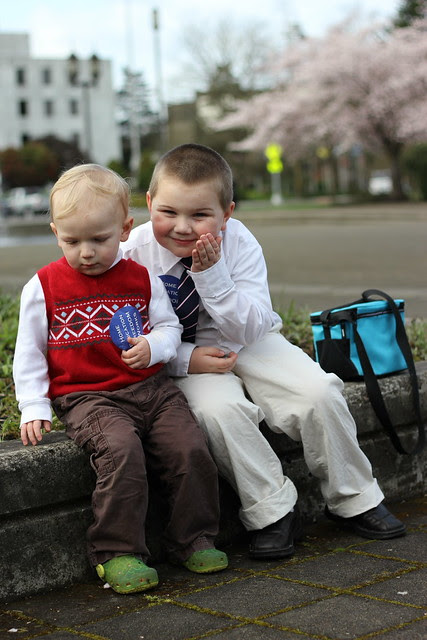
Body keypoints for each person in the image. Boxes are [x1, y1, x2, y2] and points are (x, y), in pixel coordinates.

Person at [121, 143, 406, 560]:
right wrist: (186, 359)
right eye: (168, 212)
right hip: (183, 356)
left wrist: (212, 276)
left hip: (250, 339)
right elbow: (134, 335)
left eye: (199, 215)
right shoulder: (132, 253)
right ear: (149, 204)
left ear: (227, 213)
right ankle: (272, 510)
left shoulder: (239, 242)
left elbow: (253, 325)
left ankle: (354, 497)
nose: (182, 227)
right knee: (218, 412)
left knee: (318, 392)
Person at [13, 163, 228, 595]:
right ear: (56, 233)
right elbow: (29, 353)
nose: (86, 252)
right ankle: (117, 550)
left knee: (189, 447)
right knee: (120, 451)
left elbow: (168, 327)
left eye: (99, 239)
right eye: (72, 241)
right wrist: (34, 406)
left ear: (125, 229)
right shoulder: (44, 286)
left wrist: (154, 346)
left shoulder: (141, 277)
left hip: (152, 390)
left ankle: (192, 538)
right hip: (89, 397)